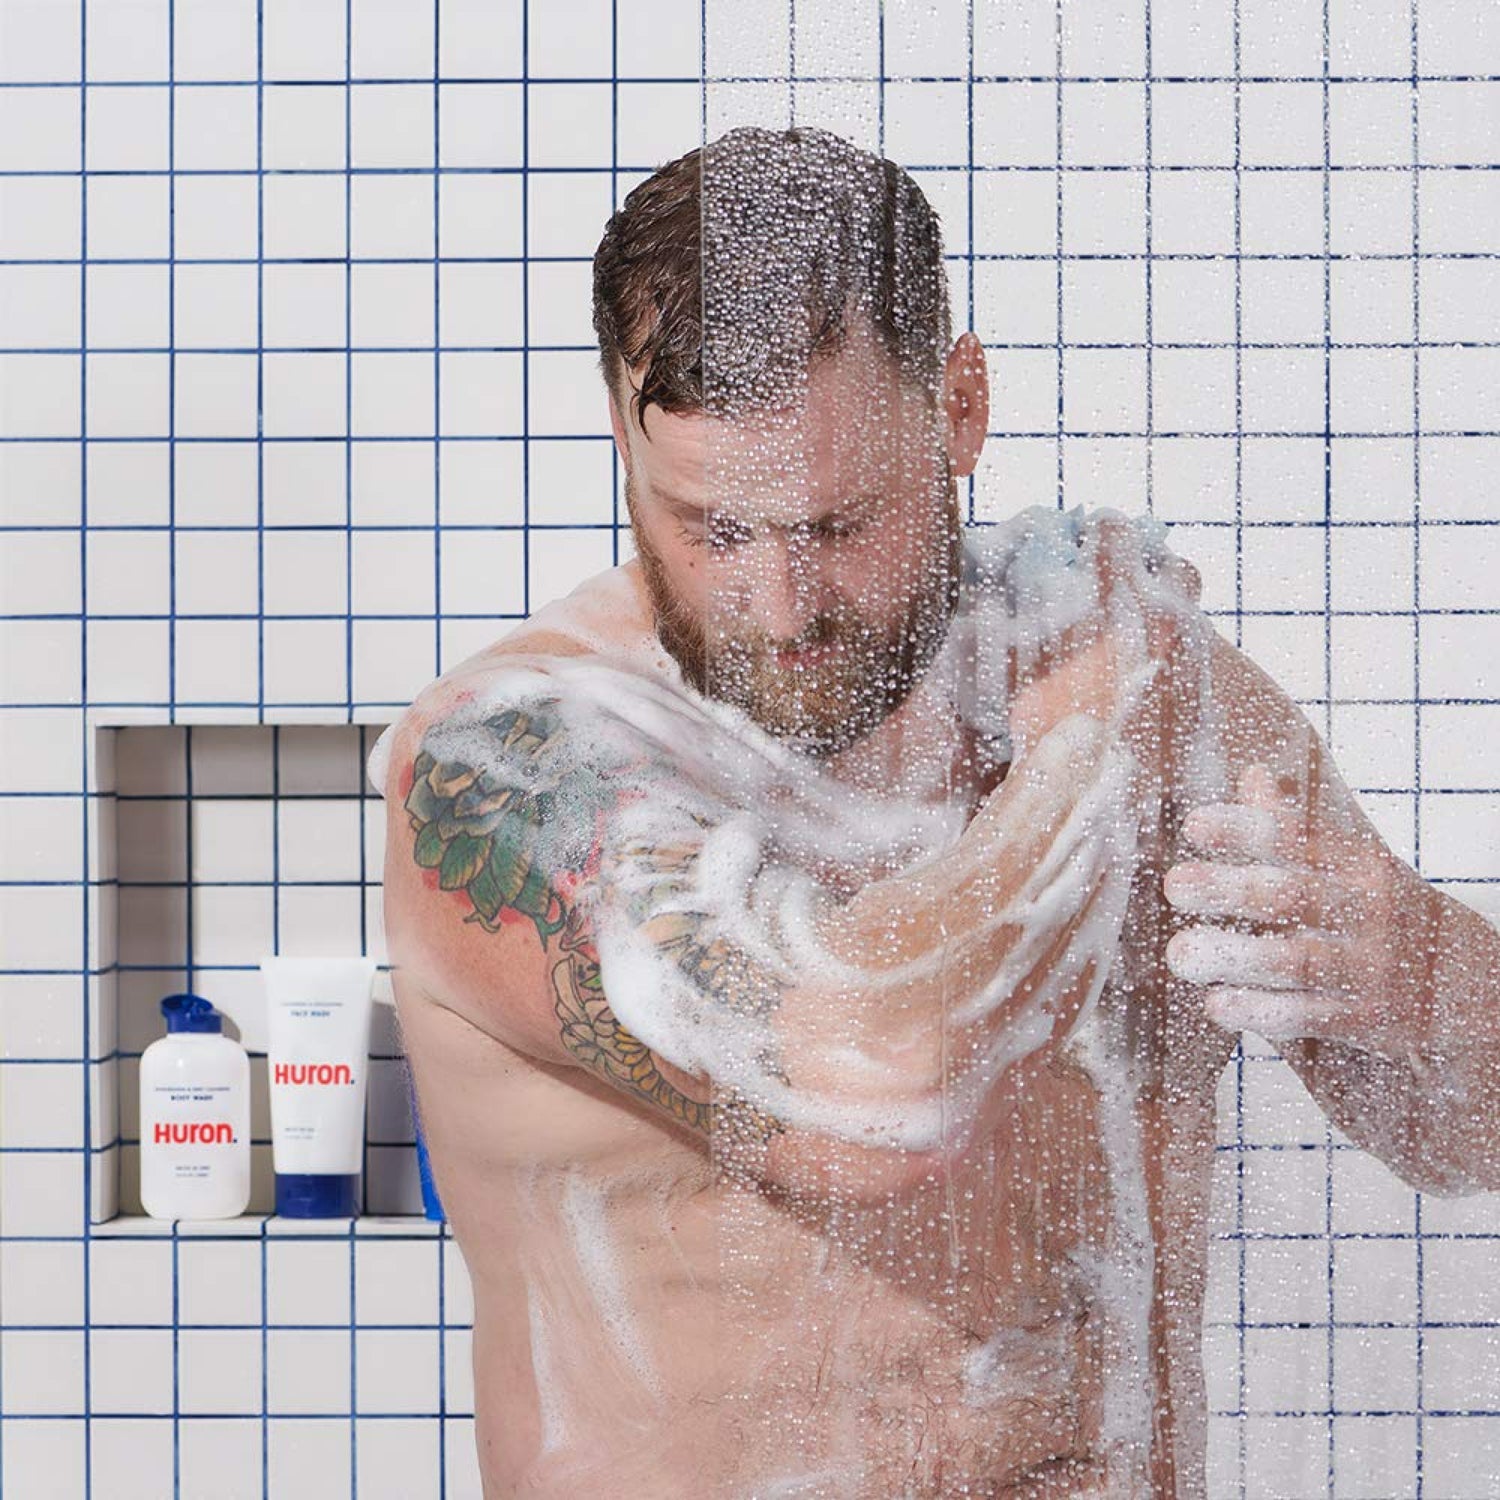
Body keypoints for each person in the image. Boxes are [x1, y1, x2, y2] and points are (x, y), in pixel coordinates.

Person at [368, 127, 1500, 1497]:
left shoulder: (1132, 671)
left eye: (839, 526)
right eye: (715, 530)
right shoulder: (513, 768)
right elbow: (873, 1093)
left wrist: (1409, 975)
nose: (783, 609)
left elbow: (1467, 1127)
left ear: (959, 406)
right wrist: (1090, 757)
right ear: (623, 438)